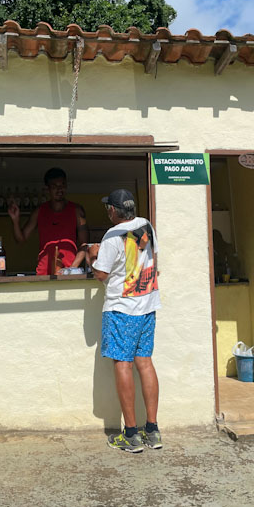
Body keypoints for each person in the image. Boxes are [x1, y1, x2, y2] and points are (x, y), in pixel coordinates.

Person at [88, 189, 162, 453]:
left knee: (123, 364)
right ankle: (152, 430)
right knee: (145, 363)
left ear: (112, 211)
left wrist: (93, 254)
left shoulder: (111, 237)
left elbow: (100, 274)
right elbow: (149, 255)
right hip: (147, 305)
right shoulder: (146, 225)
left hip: (122, 309)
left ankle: (130, 434)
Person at [8, 167, 89, 274]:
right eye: (54, 186)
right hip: (43, 273)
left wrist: (71, 269)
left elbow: (84, 244)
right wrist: (15, 220)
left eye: (62, 185)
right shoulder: (39, 211)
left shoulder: (77, 211)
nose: (59, 190)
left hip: (69, 273)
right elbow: (21, 239)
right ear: (47, 189)